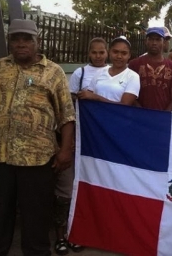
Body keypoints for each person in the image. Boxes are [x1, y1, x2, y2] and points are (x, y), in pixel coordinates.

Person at [0, 19, 76, 256]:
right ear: (9, 41)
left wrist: (65, 151)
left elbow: (67, 116)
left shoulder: (54, 72)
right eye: (15, 39)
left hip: (37, 159)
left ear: (37, 41)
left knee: (36, 216)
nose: (20, 44)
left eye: (26, 39)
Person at [54, 37, 109, 255]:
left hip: (99, 139)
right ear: (89, 53)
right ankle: (61, 235)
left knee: (90, 187)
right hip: (77, 135)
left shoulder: (111, 74)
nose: (98, 56)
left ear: (107, 53)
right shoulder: (80, 73)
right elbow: (70, 103)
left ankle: (80, 232)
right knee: (66, 187)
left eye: (101, 52)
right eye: (94, 52)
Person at [128, 27, 172, 110]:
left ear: (164, 42)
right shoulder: (134, 64)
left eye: (158, 39)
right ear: (146, 42)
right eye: (151, 39)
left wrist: (163, 116)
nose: (154, 43)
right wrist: (142, 113)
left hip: (163, 118)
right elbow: (129, 94)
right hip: (138, 117)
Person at [78, 36, 140, 105]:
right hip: (95, 115)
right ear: (109, 52)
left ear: (129, 55)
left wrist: (96, 97)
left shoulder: (133, 77)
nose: (119, 56)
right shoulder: (100, 72)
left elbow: (124, 106)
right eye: (115, 52)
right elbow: (88, 96)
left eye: (124, 53)